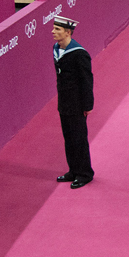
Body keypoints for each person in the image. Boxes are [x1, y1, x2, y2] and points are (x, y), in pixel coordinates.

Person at [52, 16, 94, 189]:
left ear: (67, 32)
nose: (53, 32)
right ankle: (73, 170)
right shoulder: (56, 48)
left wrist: (87, 106)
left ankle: (85, 173)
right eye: (54, 28)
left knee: (78, 139)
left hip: (77, 104)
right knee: (68, 138)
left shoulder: (79, 53)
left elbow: (87, 80)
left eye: (57, 30)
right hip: (64, 103)